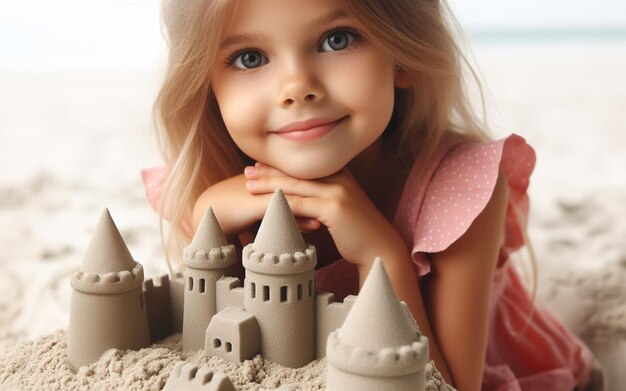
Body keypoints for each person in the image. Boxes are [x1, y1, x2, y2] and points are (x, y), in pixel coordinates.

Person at [141, 0, 602, 389]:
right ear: (207, 88)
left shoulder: (460, 184)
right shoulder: (213, 189)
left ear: (401, 55)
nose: (297, 88)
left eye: (336, 39)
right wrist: (206, 213)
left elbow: (449, 383)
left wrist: (384, 254)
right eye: (249, 58)